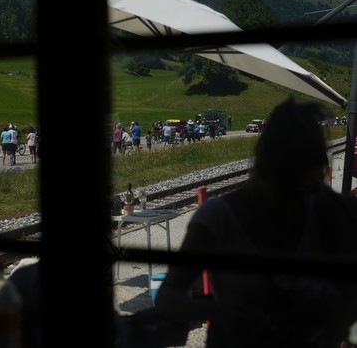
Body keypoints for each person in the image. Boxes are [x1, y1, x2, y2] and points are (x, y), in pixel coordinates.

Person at [152, 98, 357, 348]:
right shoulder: (218, 218)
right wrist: (223, 311)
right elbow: (166, 298)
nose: (291, 196)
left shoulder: (337, 211)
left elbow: (167, 297)